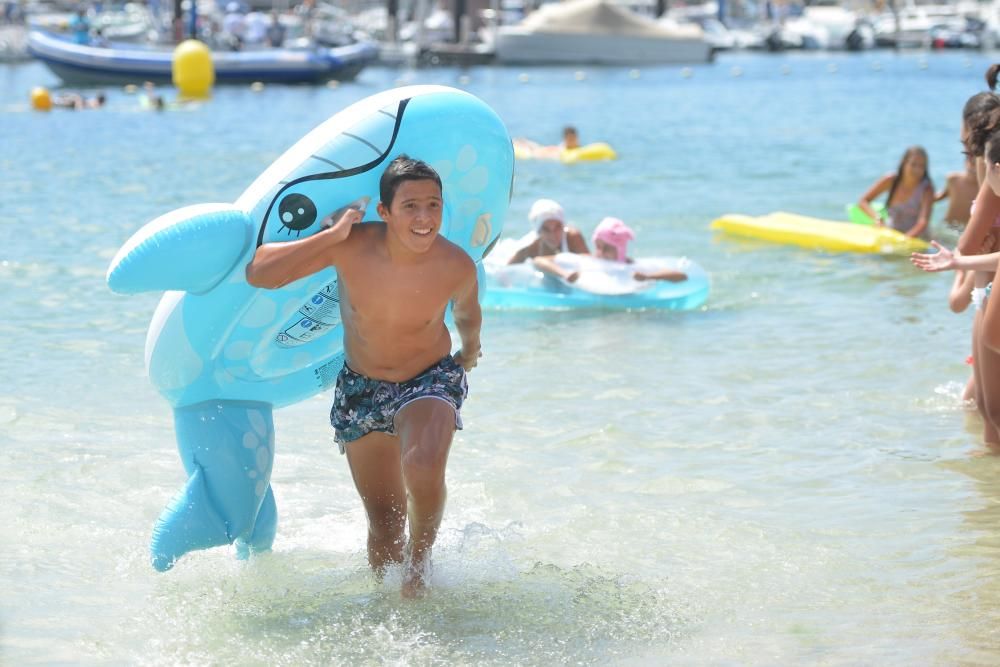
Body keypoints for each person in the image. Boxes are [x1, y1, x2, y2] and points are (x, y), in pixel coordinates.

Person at [245, 156, 481, 598]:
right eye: (411, 206)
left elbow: (468, 314)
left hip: (427, 378)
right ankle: (384, 611)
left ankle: (419, 565)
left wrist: (470, 351)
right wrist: (332, 235)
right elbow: (260, 273)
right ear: (384, 212)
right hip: (361, 387)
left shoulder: (455, 264)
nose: (425, 217)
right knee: (385, 524)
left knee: (422, 463)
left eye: (434, 204)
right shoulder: (351, 245)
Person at [856, 146, 934, 240]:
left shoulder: (926, 189)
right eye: (913, 164)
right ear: (904, 163)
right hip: (892, 232)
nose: (917, 170)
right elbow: (863, 201)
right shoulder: (891, 180)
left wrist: (904, 239)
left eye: (922, 166)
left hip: (916, 237)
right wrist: (877, 218)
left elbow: (923, 222)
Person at [506, 198, 589, 282]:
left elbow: (589, 262)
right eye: (546, 229)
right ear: (539, 231)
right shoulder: (532, 246)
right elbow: (506, 272)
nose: (553, 235)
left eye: (558, 227)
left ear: (563, 225)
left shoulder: (572, 237)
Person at [587, 216, 688, 282]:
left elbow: (681, 276)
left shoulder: (633, 267)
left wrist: (648, 277)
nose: (601, 252)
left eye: (607, 248)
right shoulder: (594, 263)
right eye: (598, 247)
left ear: (619, 248)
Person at [935, 154, 979, 229]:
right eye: (970, 161)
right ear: (965, 162)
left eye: (975, 163)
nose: (972, 166)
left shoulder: (983, 189)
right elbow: (940, 196)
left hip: (965, 229)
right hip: (947, 225)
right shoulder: (953, 179)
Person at [512, 126, 580, 160]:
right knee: (531, 148)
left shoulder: (578, 147)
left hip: (544, 150)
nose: (572, 141)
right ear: (565, 139)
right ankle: (516, 141)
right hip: (541, 151)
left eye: (573, 138)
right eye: (570, 139)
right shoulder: (562, 148)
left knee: (534, 147)